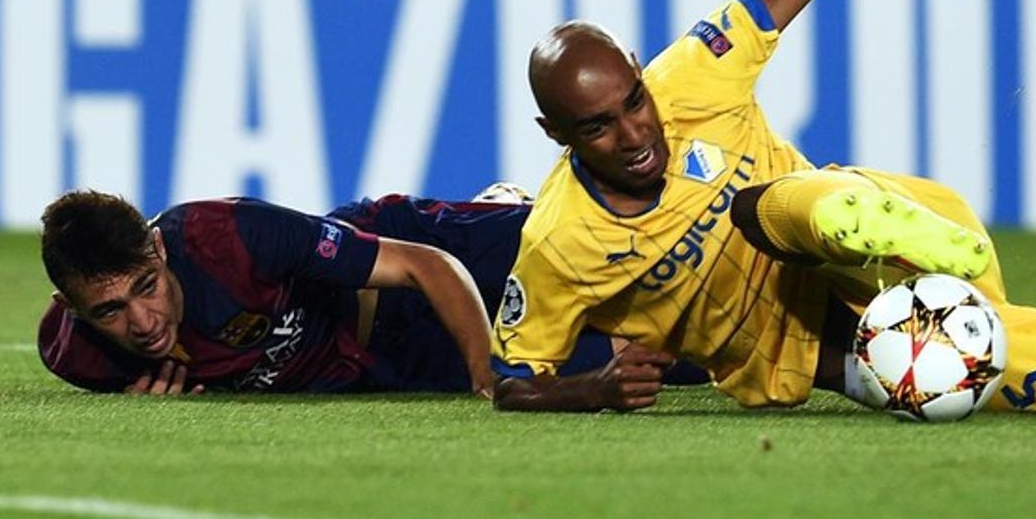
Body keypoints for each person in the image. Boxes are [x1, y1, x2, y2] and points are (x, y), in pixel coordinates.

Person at [489, 0, 1036, 415]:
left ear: (642, 71)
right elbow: (514, 378)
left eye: (634, 101)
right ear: (557, 135)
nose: (635, 131)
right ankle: (942, 312)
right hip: (868, 352)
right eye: (598, 127)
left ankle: (879, 223)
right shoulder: (561, 241)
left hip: (862, 246)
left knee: (760, 207)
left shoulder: (694, 74)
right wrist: (593, 389)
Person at [38, 188, 678, 396]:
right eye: (111, 311)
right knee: (666, 354)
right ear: (73, 310)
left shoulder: (231, 235)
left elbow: (425, 266)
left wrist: (490, 377)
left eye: (146, 288)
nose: (143, 322)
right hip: (391, 359)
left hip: (409, 259)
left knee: (617, 249)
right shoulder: (77, 355)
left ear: (158, 248)